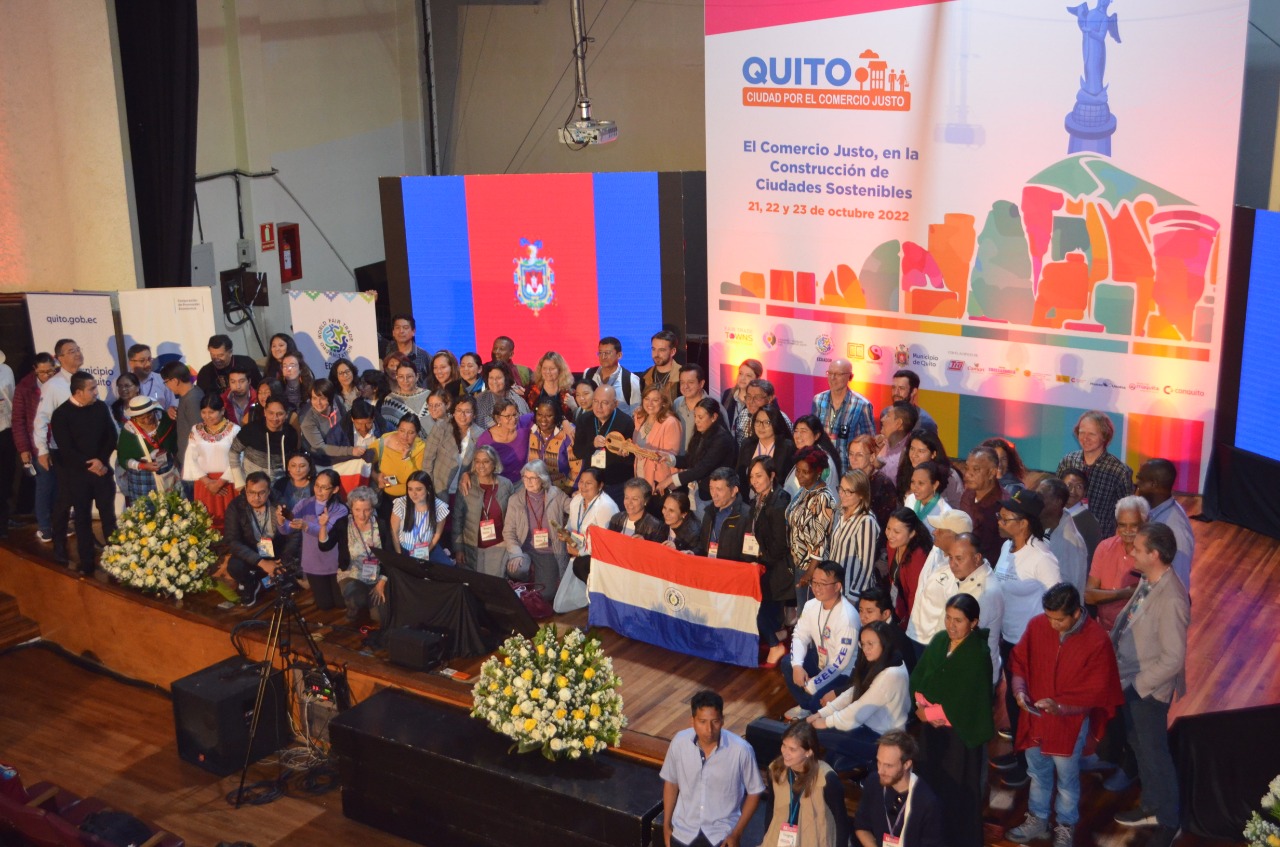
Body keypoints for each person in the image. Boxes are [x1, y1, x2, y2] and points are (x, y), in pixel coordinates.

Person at [1006, 584, 1123, 847]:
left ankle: (1066, 824)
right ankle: (1038, 818)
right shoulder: (1038, 625)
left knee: (1067, 780)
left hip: (1068, 724)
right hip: (1035, 717)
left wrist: (1060, 707)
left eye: (1058, 619)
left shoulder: (1096, 640)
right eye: (1048, 617)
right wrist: (1019, 690)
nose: (1052, 624)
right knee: (1037, 773)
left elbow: (1096, 690)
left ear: (1075, 613)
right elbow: (1019, 663)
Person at [1109, 523, 1189, 847]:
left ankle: (1169, 820)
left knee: (1155, 754)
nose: (1132, 552)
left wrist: (1135, 687)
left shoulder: (1171, 599)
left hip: (1148, 692)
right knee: (1140, 747)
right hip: (1129, 682)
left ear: (1154, 555)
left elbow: (1173, 660)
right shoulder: (1148, 580)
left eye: (1138, 548)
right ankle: (1150, 805)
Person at [909, 594, 995, 847]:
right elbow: (920, 676)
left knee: (956, 792)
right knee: (930, 782)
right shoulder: (939, 641)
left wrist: (933, 714)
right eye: (948, 618)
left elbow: (969, 700)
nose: (951, 625)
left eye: (958, 620)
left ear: (974, 622)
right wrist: (922, 707)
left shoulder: (978, 653)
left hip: (959, 737)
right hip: (931, 731)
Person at [991, 488, 1061, 786]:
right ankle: (1021, 755)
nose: (1000, 520)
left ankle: (1033, 767)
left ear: (1024, 523)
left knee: (1028, 705)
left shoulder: (1043, 558)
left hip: (1030, 644)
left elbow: (1059, 601)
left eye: (1006, 517)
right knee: (1013, 702)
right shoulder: (1007, 548)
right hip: (1008, 638)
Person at [660, 690, 765, 847]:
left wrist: (736, 833)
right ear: (692, 721)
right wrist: (666, 825)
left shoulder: (741, 750)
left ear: (722, 720)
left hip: (721, 836)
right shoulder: (679, 742)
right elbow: (671, 782)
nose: (709, 729)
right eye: (702, 722)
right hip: (683, 833)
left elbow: (755, 791)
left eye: (714, 721)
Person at [808, 620, 910, 770]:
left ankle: (872, 763)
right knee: (829, 757)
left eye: (871, 644)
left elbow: (859, 709)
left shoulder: (891, 674)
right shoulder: (881, 660)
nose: (866, 649)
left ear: (884, 643)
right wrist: (822, 713)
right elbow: (854, 692)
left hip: (884, 738)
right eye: (863, 644)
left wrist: (825, 722)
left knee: (816, 734)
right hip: (868, 726)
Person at [907, 532, 1003, 679]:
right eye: (950, 558)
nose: (953, 564)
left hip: (970, 675)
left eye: (959, 558)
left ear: (977, 558)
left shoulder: (983, 594)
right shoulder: (974, 573)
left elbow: (960, 641)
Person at [49, 371, 117, 574]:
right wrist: (91, 465)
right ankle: (87, 563)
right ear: (79, 391)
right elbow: (66, 449)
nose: (97, 392)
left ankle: (118, 560)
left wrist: (101, 461)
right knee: (82, 520)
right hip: (78, 476)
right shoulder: (61, 414)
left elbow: (111, 436)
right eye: (92, 389)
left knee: (109, 518)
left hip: (102, 471)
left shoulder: (100, 407)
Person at [782, 560, 860, 720]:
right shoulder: (811, 605)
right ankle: (807, 706)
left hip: (843, 672)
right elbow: (799, 635)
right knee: (787, 663)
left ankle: (814, 708)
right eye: (814, 582)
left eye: (823, 584)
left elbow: (840, 663)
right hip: (821, 658)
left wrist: (813, 684)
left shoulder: (848, 617)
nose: (816, 587)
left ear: (838, 586)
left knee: (819, 702)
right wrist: (797, 666)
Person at [760, 721, 849, 847]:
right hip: (780, 839)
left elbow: (841, 822)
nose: (785, 752)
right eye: (784, 745)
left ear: (808, 752)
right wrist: (767, 837)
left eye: (792, 749)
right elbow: (771, 806)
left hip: (814, 840)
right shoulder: (775, 770)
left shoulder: (827, 780)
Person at [851, 730, 944, 847]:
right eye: (879, 762)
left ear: (906, 764)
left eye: (888, 765)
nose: (880, 771)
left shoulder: (926, 802)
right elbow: (861, 826)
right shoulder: (873, 782)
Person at [1056, 410, 1135, 539]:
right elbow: (1055, 497)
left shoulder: (1119, 471)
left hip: (1099, 540)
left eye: (1091, 434)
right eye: (1081, 433)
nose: (1085, 438)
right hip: (1064, 535)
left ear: (1104, 436)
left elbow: (1126, 512)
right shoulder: (1068, 461)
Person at [319, 485, 390, 625]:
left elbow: (389, 556)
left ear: (373, 508)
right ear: (351, 508)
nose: (362, 515)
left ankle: (369, 606)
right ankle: (353, 613)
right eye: (357, 510)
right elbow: (324, 546)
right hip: (351, 574)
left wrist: (382, 583)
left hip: (377, 576)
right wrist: (323, 526)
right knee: (356, 597)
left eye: (367, 510)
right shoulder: (343, 524)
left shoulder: (382, 525)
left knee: (380, 617)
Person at [280, 469, 350, 610]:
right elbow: (286, 529)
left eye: (324, 487)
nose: (319, 490)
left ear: (335, 489)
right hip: (313, 562)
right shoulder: (304, 503)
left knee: (341, 604)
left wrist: (306, 526)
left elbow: (325, 533)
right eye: (317, 485)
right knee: (325, 606)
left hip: (334, 562)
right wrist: (281, 521)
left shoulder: (340, 509)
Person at [746, 457, 793, 667]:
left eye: (759, 476)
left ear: (772, 475)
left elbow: (779, 546)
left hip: (776, 568)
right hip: (764, 565)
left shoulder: (779, 503)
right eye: (751, 477)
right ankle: (778, 634)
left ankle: (775, 645)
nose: (754, 481)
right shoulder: (758, 500)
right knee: (768, 611)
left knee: (758, 612)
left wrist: (760, 561)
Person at [502, 460, 569, 601]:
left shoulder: (556, 495)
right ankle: (526, 580)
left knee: (545, 595)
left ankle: (536, 582)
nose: (528, 481)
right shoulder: (515, 500)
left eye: (533, 477)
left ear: (543, 478)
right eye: (525, 477)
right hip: (525, 549)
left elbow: (574, 508)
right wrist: (516, 553)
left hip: (548, 551)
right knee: (517, 569)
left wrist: (580, 499)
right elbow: (508, 532)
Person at [223, 472, 288, 606]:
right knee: (235, 566)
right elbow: (232, 542)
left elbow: (292, 534)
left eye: (261, 493)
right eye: (251, 493)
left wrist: (284, 558)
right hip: (251, 552)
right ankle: (251, 582)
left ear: (269, 491)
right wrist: (262, 562)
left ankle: (261, 583)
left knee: (290, 569)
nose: (256, 498)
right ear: (245, 490)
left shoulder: (279, 503)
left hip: (276, 550)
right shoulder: (236, 506)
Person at [13, 352, 59, 543]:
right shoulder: (25, 387)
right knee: (44, 487)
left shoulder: (60, 383)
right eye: (43, 372)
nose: (47, 375)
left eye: (50, 371)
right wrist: (24, 450)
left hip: (61, 444)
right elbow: (18, 421)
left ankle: (60, 524)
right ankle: (45, 527)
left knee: (60, 488)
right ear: (35, 370)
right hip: (38, 446)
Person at [453, 444, 516, 576]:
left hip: (499, 546)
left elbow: (513, 518)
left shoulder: (506, 484)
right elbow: (457, 519)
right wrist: (458, 548)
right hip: (472, 548)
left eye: (486, 461)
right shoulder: (466, 484)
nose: (481, 465)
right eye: (477, 461)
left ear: (494, 464)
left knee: (494, 587)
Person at [1085, 495, 1146, 631]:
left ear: (1145, 523)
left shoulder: (1151, 555)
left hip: (1135, 634)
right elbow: (1089, 596)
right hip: (1103, 629)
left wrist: (1102, 595)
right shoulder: (1104, 547)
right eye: (1122, 525)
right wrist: (1127, 592)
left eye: (1134, 525)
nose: (1127, 531)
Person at [182, 393, 241, 531]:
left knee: (230, 522)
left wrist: (220, 482)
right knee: (206, 523)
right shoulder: (196, 430)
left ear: (222, 411)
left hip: (228, 483)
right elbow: (191, 457)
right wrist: (208, 483)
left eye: (211, 412)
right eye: (203, 412)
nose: (207, 416)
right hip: (204, 484)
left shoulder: (234, 430)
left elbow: (238, 457)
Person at [786, 447, 836, 606]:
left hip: (812, 568)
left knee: (807, 614)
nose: (799, 476)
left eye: (805, 472)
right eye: (798, 470)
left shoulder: (823, 498)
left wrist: (810, 574)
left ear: (818, 472)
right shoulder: (804, 490)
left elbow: (821, 541)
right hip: (799, 563)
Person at [664, 397, 736, 507]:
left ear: (714, 417)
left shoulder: (722, 439)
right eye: (695, 416)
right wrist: (671, 459)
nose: (696, 420)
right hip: (697, 492)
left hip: (713, 496)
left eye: (700, 417)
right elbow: (690, 459)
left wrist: (672, 479)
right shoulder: (701, 434)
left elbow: (702, 468)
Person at [1136, 458, 1194, 591]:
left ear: (1153, 484)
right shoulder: (1154, 512)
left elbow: (1179, 581)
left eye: (1141, 480)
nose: (1137, 484)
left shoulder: (1176, 531)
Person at [572, 385, 636, 506]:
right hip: (592, 483)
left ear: (615, 404)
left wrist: (624, 454)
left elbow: (632, 460)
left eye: (604, 403)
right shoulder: (584, 419)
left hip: (616, 484)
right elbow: (578, 452)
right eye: (596, 401)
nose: (598, 407)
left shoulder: (626, 422)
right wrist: (592, 445)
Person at [811, 358, 876, 475]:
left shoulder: (862, 405)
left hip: (847, 473)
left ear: (849, 377)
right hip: (821, 471)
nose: (832, 378)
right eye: (830, 373)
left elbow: (869, 443)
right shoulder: (818, 400)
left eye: (838, 374)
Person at [824, 469, 880, 601]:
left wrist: (852, 597)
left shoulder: (866, 521)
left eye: (848, 492)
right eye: (841, 489)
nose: (842, 495)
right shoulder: (841, 514)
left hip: (852, 594)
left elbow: (866, 566)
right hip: (836, 589)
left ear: (861, 494)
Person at [116, 396, 179, 506]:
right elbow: (124, 458)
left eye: (149, 415)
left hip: (166, 471)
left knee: (171, 505)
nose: (147, 420)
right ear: (134, 418)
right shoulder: (129, 432)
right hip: (142, 476)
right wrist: (143, 466)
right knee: (146, 510)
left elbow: (174, 443)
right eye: (142, 418)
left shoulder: (165, 421)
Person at [563, 467, 619, 587]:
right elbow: (570, 524)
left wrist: (580, 552)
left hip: (599, 558)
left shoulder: (606, 507)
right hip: (578, 551)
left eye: (588, 483)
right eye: (581, 482)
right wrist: (565, 533)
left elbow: (604, 543)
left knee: (580, 565)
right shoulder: (577, 500)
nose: (583, 486)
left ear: (600, 485)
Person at [33, 339, 81, 478]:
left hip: (89, 446)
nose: (77, 353)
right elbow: (41, 418)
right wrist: (42, 451)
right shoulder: (53, 385)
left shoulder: (85, 378)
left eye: (78, 349)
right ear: (59, 358)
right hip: (65, 450)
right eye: (71, 351)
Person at [423, 394, 482, 499]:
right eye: (459, 410)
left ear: (474, 415)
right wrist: (428, 486)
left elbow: (478, 465)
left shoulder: (480, 434)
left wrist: (469, 473)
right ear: (454, 412)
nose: (462, 415)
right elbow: (428, 460)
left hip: (464, 491)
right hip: (438, 488)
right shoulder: (441, 427)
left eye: (467, 412)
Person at [1038, 476, 1088, 596]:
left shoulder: (1071, 542)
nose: (1035, 500)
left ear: (1057, 502)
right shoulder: (1043, 525)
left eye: (1040, 496)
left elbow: (1068, 587)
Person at [229, 397, 298, 482]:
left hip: (280, 488)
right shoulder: (251, 429)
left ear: (286, 414)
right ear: (265, 412)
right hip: (253, 486)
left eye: (279, 414)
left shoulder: (291, 434)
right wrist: (239, 481)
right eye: (271, 413)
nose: (275, 418)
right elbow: (233, 452)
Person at [633, 386, 682, 504]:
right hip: (640, 477)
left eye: (655, 400)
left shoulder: (670, 422)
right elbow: (636, 445)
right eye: (646, 399)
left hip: (659, 481)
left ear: (664, 403)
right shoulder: (640, 417)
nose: (650, 403)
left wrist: (642, 451)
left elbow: (671, 456)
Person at [371, 413, 426, 519]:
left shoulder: (421, 449)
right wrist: (375, 476)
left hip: (410, 500)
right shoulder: (384, 441)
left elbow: (416, 479)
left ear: (417, 434)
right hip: (385, 497)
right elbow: (366, 462)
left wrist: (406, 457)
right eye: (402, 431)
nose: (405, 436)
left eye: (411, 433)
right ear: (397, 429)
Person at [322, 396, 381, 495]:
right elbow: (330, 457)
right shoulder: (337, 433)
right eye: (359, 424)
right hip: (351, 481)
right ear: (352, 419)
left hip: (377, 478)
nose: (363, 428)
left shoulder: (385, 429)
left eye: (368, 423)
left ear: (373, 419)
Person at [959, 446, 1006, 567]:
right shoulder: (967, 494)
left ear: (992, 473)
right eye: (967, 468)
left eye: (976, 469)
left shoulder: (1004, 504)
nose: (968, 474)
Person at [884, 508, 933, 625]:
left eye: (896, 532)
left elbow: (914, 596)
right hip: (898, 605)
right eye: (888, 528)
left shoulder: (918, 556)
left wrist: (909, 625)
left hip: (915, 613)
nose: (890, 535)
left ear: (912, 533)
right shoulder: (892, 545)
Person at [391, 470, 450, 562]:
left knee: (447, 568)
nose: (414, 494)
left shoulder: (440, 507)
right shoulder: (401, 503)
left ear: (428, 489)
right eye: (410, 489)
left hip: (427, 549)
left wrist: (426, 552)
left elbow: (437, 535)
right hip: (404, 550)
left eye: (418, 489)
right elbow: (394, 531)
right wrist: (400, 556)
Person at [693, 468, 751, 560]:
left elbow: (749, 555)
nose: (713, 494)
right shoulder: (709, 512)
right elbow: (702, 546)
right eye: (711, 488)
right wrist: (692, 553)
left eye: (719, 489)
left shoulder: (747, 516)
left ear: (733, 491)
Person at [736, 404, 794, 498]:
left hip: (777, 500)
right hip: (749, 499)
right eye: (758, 421)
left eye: (767, 422)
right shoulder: (747, 444)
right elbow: (740, 474)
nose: (761, 427)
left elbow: (788, 480)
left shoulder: (787, 447)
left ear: (775, 423)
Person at [857, 587, 918, 675]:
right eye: (861, 610)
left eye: (869, 612)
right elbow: (859, 668)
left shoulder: (896, 640)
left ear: (886, 614)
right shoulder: (866, 630)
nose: (862, 617)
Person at [895, 430, 963, 508]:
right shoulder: (905, 470)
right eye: (912, 449)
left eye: (921, 451)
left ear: (933, 454)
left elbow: (958, 509)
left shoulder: (950, 476)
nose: (914, 455)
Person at [299, 379, 358, 466]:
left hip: (343, 448)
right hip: (322, 459)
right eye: (314, 398)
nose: (318, 403)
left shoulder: (337, 400)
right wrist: (350, 450)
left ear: (330, 398)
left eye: (322, 398)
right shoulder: (307, 420)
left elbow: (347, 423)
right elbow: (321, 448)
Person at [848, 434, 898, 538]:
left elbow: (885, 523)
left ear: (872, 457)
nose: (853, 459)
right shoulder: (849, 478)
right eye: (851, 454)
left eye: (859, 455)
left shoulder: (883, 484)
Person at [478, 397, 533, 487]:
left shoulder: (523, 425)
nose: (513, 419)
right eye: (508, 416)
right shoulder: (486, 440)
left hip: (522, 483)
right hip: (498, 486)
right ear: (498, 419)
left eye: (515, 414)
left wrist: (564, 422)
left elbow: (544, 413)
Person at [584, 336, 642, 414]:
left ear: (619, 355)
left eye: (607, 353)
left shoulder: (631, 380)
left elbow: (636, 413)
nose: (603, 357)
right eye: (600, 353)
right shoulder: (589, 374)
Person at [197, 334, 262, 397]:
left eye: (220, 355)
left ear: (230, 352)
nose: (217, 360)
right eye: (213, 355)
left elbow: (260, 388)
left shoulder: (247, 363)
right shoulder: (205, 373)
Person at [1060, 467, 1103, 563]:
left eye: (1079, 487)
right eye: (1068, 485)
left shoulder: (1091, 523)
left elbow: (1091, 559)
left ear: (1085, 492)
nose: (1072, 491)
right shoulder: (1052, 511)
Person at [606, 477, 665, 542]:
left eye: (635, 499)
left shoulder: (655, 527)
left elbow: (657, 551)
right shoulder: (616, 519)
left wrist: (645, 544)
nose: (629, 502)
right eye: (626, 497)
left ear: (646, 500)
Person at [736, 379, 794, 445]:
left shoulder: (780, 418)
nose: (751, 401)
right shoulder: (743, 414)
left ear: (769, 399)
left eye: (757, 397)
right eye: (749, 397)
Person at [475, 361, 530, 431]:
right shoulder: (479, 400)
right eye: (491, 378)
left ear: (506, 379)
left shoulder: (518, 401)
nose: (494, 382)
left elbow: (524, 428)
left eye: (498, 378)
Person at [720, 359, 762, 444]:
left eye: (748, 376)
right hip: (727, 447)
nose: (742, 378)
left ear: (757, 379)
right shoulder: (728, 394)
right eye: (740, 373)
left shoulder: (760, 400)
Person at [874, 402, 918, 486]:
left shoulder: (909, 455)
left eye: (888, 416)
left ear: (898, 423)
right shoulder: (880, 443)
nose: (882, 419)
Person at [903, 461, 953, 533]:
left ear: (935, 485)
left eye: (921, 483)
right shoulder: (910, 499)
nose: (914, 488)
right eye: (913, 482)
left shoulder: (945, 512)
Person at [385, 313, 432, 387]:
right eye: (397, 328)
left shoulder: (424, 356)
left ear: (413, 331)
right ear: (393, 332)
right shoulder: (387, 352)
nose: (401, 331)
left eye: (405, 327)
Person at [383, 362, 431, 433]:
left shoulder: (429, 395)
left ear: (417, 376)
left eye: (409, 376)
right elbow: (387, 428)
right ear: (397, 378)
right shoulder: (390, 400)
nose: (405, 381)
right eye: (401, 377)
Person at [126, 343, 175, 411]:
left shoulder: (162, 379)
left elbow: (172, 405)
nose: (148, 364)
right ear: (131, 363)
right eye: (142, 361)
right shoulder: (122, 383)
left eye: (149, 359)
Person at [672, 365, 710, 453]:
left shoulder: (714, 407)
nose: (685, 386)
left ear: (701, 384)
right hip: (678, 462)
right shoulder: (676, 403)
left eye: (691, 382)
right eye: (682, 382)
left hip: (701, 463)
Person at [525, 351, 576, 416]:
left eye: (552, 368)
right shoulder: (531, 392)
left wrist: (574, 407)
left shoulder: (570, 394)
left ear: (560, 370)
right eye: (544, 368)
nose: (547, 372)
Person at [890, 369, 937, 435]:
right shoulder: (885, 414)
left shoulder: (925, 422)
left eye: (902, 388)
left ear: (913, 391)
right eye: (893, 387)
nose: (896, 392)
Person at [641, 329, 682, 403]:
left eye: (662, 350)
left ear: (673, 351)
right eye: (653, 349)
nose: (656, 354)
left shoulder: (682, 375)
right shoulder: (646, 376)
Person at [276, 353, 314, 424]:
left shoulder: (310, 388)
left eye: (292, 365)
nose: (288, 369)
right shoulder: (277, 389)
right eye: (285, 366)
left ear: (300, 369)